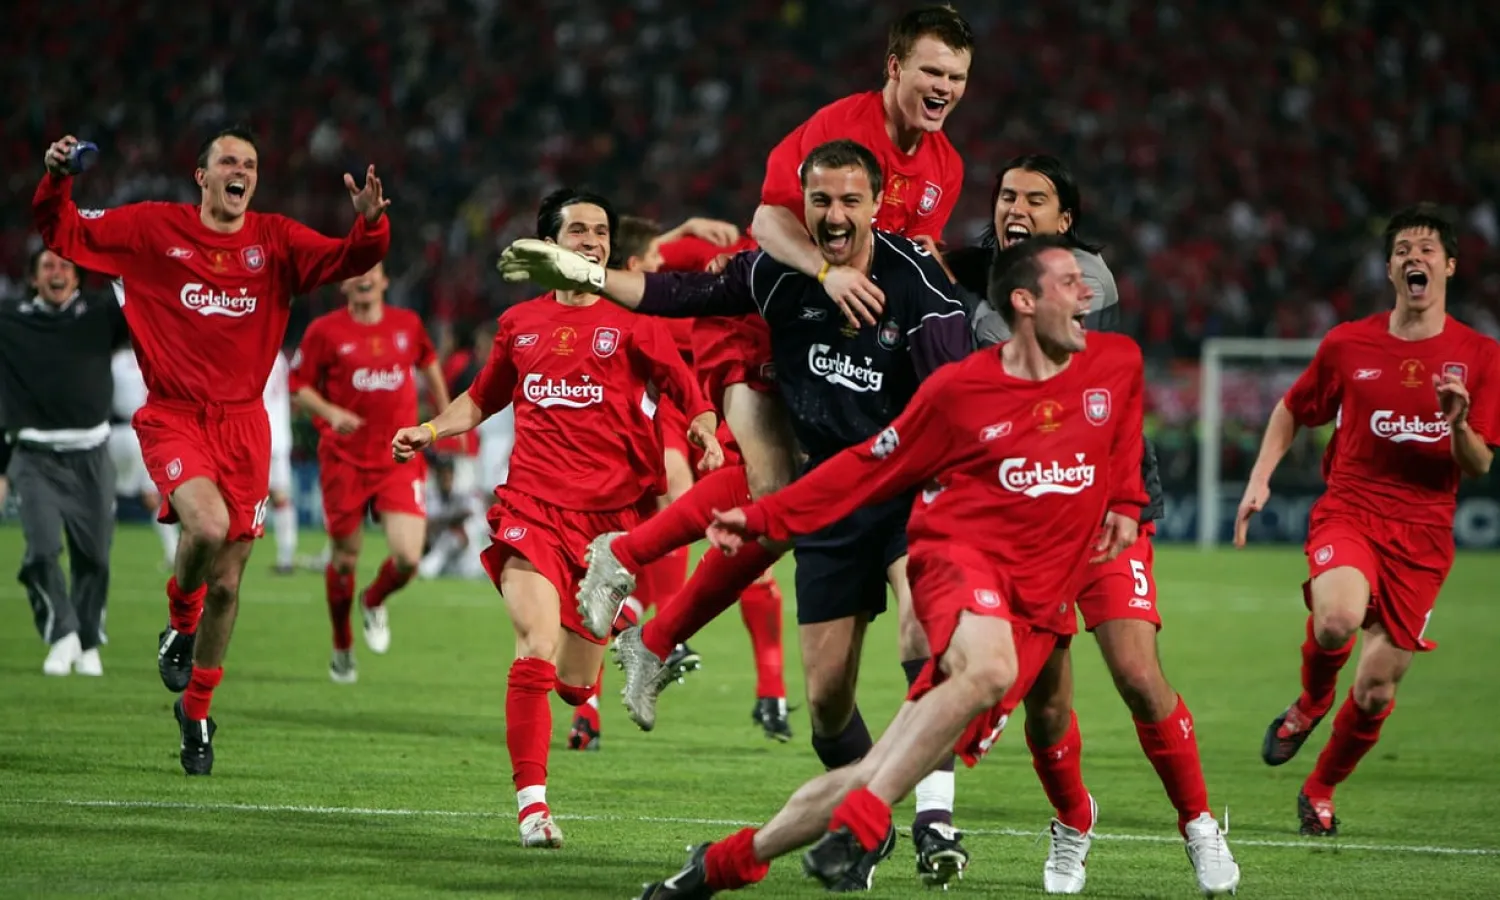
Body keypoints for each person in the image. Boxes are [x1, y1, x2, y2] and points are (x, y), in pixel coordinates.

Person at [499, 139, 973, 885]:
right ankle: (864, 820)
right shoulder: (778, 273)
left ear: (878, 204)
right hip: (829, 496)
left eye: (850, 201)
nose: (835, 215)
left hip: (907, 491)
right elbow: (678, 294)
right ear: (802, 204)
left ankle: (932, 821)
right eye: (821, 201)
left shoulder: (918, 289)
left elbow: (964, 403)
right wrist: (581, 273)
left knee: (924, 628)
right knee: (826, 704)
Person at [633, 236, 1152, 899]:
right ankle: (873, 822)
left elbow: (1125, 424)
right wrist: (767, 516)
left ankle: (717, 866)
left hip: (1039, 605)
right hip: (960, 563)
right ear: (1024, 301)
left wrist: (1127, 502)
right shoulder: (961, 391)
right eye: (1070, 283)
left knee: (873, 769)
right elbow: (865, 465)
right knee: (986, 671)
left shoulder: (1115, 363)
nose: (1088, 294)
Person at [33, 127, 391, 774]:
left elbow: (348, 259)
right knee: (206, 525)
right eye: (228, 160)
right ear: (202, 176)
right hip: (175, 414)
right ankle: (180, 619)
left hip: (245, 426)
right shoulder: (151, 229)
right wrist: (58, 178)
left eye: (249, 163)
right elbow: (63, 232)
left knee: (227, 583)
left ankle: (196, 710)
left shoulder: (276, 240)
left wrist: (368, 226)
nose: (240, 170)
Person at [391, 188, 723, 849]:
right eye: (578, 230)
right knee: (535, 646)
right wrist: (429, 430)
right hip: (532, 508)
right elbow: (482, 398)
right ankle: (533, 808)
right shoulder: (520, 323)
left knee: (573, 686)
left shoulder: (636, 322)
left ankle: (625, 635)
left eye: (601, 231)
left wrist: (707, 433)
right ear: (549, 244)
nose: (593, 241)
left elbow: (691, 394)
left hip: (609, 529)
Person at [947, 156, 1237, 894]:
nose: (1015, 207)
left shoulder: (1087, 282)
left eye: (1034, 198)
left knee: (1137, 673)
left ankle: (1199, 823)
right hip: (1025, 517)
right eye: (1006, 195)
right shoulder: (976, 274)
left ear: (1065, 220)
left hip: (1105, 504)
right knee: (1048, 706)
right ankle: (1074, 819)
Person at [1237, 204, 1500, 836]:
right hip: (1350, 509)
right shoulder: (1348, 344)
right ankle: (1311, 702)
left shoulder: (1481, 355)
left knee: (1378, 688)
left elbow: (1480, 464)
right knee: (1336, 621)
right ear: (1389, 270)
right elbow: (1292, 408)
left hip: (1423, 534)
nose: (1415, 258)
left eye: (1428, 249)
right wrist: (1260, 477)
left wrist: (1457, 422)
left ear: (1450, 266)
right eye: (1403, 250)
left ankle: (1320, 788)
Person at [561, 214, 790, 752]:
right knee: (697, 501)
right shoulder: (701, 269)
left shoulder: (771, 263)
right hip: (666, 409)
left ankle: (761, 687)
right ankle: (645, 641)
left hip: (714, 406)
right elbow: (637, 264)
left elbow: (644, 256)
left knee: (761, 536)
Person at [289, 262, 448, 682]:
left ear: (384, 280)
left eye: (371, 270)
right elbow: (298, 383)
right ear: (344, 283)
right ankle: (342, 646)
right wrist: (330, 412)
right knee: (344, 560)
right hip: (344, 459)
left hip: (399, 456)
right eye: (356, 271)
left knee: (409, 557)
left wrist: (445, 417)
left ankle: (373, 600)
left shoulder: (407, 325)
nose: (363, 278)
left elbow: (430, 362)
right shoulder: (325, 331)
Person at [0, 248, 128, 676]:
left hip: (92, 455)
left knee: (96, 557)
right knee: (41, 550)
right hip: (33, 456)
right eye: (48, 266)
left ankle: (88, 641)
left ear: (78, 277)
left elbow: (139, 297)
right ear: (33, 278)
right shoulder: (9, 318)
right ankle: (62, 633)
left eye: (65, 266)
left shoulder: (101, 314)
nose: (57, 273)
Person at [109, 346, 180, 569]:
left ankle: (96, 550)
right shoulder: (157, 357)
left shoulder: (116, 361)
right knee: (153, 497)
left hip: (121, 430)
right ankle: (174, 553)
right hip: (152, 434)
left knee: (105, 492)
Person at [262, 348, 300, 573]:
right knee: (281, 498)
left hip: (258, 435)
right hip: (280, 437)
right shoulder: (279, 358)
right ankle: (286, 557)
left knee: (239, 497)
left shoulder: (257, 355)